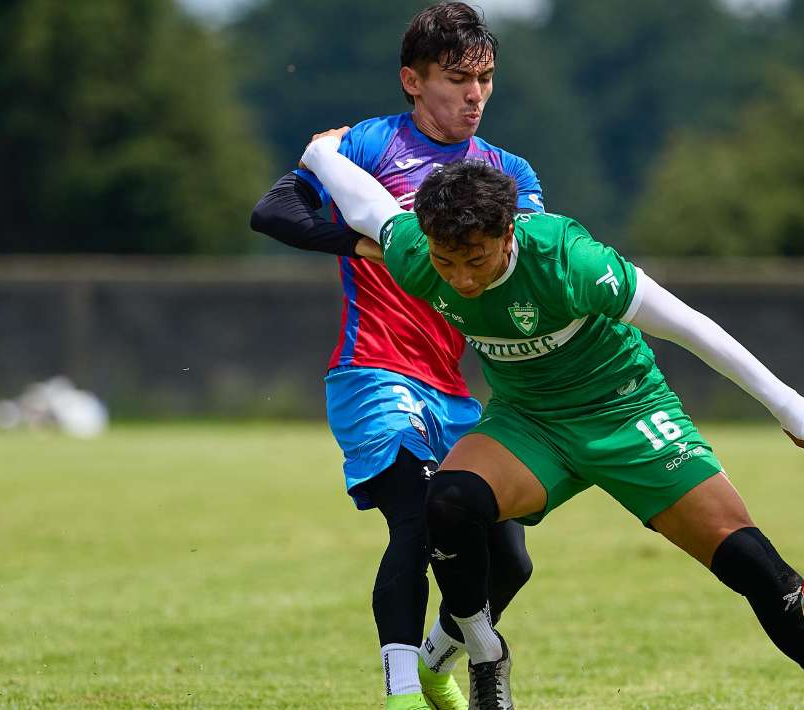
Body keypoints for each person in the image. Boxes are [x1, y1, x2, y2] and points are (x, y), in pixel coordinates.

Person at [300, 131, 804, 709]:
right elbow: (368, 206)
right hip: (528, 423)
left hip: (627, 413)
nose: (462, 279)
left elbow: (690, 326)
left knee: (751, 565)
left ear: (509, 233)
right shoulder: (419, 254)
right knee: (448, 503)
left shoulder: (569, 260)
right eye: (447, 261)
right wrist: (321, 151)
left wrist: (790, 406)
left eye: (475, 259)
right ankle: (484, 650)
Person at [248, 5, 541, 709]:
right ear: (412, 80)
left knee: (510, 560)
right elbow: (273, 210)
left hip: (452, 390)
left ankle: (443, 655)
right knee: (414, 518)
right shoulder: (368, 146)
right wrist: (363, 243)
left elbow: (524, 262)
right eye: (456, 80)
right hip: (371, 372)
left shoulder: (507, 171)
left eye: (486, 79)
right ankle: (403, 693)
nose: (474, 95)